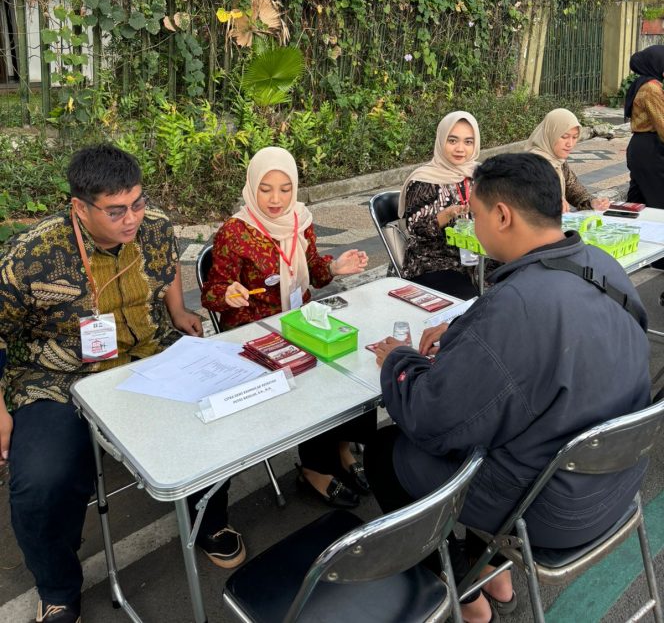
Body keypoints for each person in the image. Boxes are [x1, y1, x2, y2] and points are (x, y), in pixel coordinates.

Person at [365, 153, 651, 623]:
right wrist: (468, 327)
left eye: (475, 215)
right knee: (506, 426)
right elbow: (551, 334)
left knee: (386, 452)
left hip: (553, 509)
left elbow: (431, 419)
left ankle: (461, 588)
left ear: (502, 215)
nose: (473, 227)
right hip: (615, 484)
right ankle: (491, 569)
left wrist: (399, 359)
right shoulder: (602, 265)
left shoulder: (517, 307)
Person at [0, 144, 241, 623]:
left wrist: (178, 311)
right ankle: (58, 589)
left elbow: (167, 270)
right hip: (60, 376)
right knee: (42, 481)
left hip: (150, 355)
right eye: (115, 211)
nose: (131, 219)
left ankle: (209, 520)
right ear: (80, 207)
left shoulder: (156, 226)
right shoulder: (32, 256)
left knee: (217, 414)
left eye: (137, 203)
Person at [202, 146, 375, 508]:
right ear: (252, 186)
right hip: (256, 330)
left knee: (349, 361)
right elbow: (212, 292)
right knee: (313, 377)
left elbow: (313, 270)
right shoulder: (236, 231)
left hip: (298, 319)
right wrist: (227, 293)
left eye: (285, 189)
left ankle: (343, 447)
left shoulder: (300, 219)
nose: (276, 199)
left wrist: (335, 267)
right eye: (266, 189)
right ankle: (315, 468)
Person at [398, 111, 481, 298]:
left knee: (517, 283)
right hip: (435, 262)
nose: (460, 149)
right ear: (441, 140)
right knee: (472, 303)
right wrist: (447, 215)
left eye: (468, 142)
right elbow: (415, 229)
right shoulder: (424, 180)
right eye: (452, 141)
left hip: (480, 258)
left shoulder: (480, 174)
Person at [526, 108, 610, 212]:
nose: (570, 144)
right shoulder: (530, 165)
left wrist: (592, 202)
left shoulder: (559, 162)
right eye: (564, 137)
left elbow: (576, 192)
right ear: (550, 134)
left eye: (574, 137)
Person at [624, 44, 664, 208]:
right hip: (650, 151)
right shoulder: (651, 88)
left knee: (637, 201)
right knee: (658, 202)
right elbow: (662, 124)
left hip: (641, 147)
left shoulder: (643, 83)